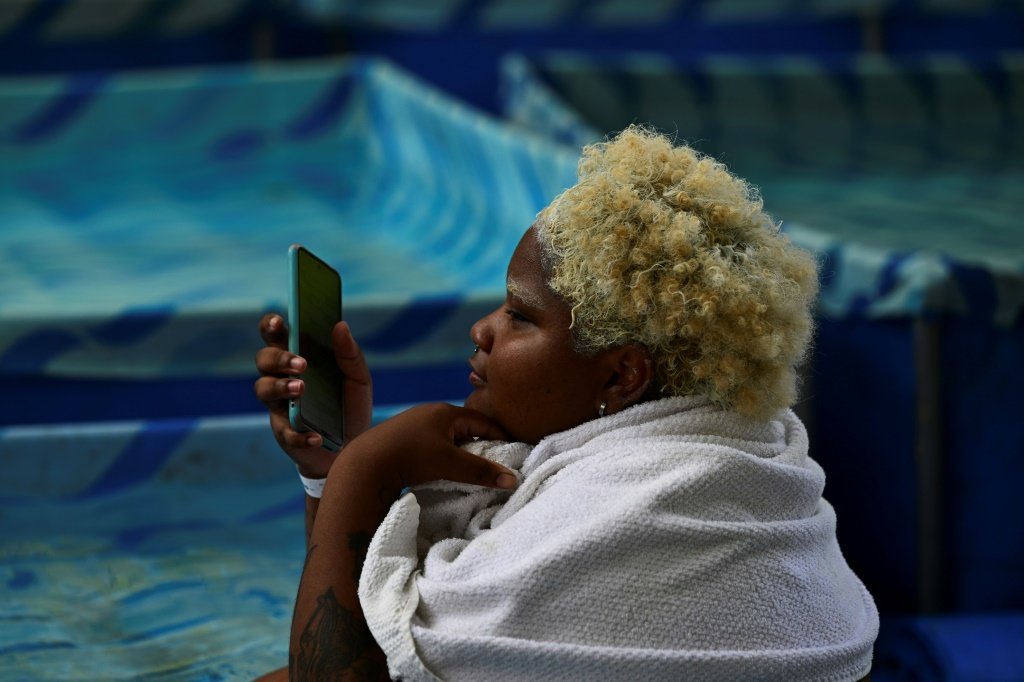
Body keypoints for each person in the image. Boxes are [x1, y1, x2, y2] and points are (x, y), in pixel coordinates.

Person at [254, 126, 878, 681]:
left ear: (621, 377)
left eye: (519, 315)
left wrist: (363, 470)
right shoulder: (751, 460)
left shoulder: (628, 516)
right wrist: (330, 467)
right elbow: (359, 640)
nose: (482, 330)